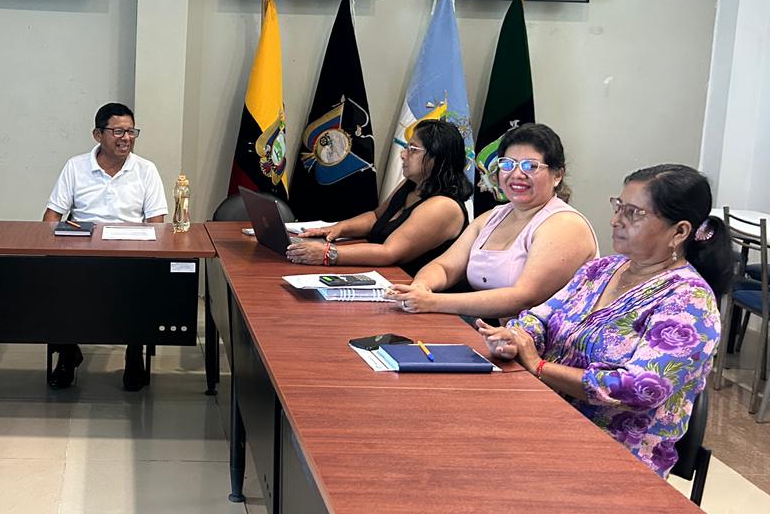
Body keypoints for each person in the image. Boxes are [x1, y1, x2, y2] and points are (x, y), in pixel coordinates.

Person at [479, 164, 731, 478]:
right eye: (619, 207)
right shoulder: (602, 270)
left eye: (634, 213)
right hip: (545, 422)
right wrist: (517, 336)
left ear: (679, 232)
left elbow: (641, 387)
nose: (616, 220)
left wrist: (539, 366)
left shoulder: (690, 301)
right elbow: (540, 317)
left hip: (614, 459)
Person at [388, 123, 598, 318]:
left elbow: (524, 297)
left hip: (537, 341)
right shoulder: (492, 217)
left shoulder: (565, 224)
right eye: (507, 164)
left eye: (530, 166)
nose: (517, 174)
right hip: (489, 330)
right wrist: (421, 286)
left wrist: (432, 302)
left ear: (557, 175)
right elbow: (444, 267)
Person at [42, 102, 168, 391]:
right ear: (98, 134)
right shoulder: (76, 167)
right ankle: (67, 352)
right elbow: (52, 216)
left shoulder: (146, 170)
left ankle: (134, 351)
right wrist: (50, 246)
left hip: (130, 254)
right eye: (118, 132)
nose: (126, 138)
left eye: (131, 131)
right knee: (52, 277)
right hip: (82, 251)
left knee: (143, 280)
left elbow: (157, 224)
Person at [287, 118, 471, 274]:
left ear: (436, 157)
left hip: (415, 290)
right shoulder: (413, 184)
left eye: (412, 149)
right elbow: (376, 217)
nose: (403, 154)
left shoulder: (443, 207)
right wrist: (338, 228)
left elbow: (389, 252)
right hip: (384, 276)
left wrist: (328, 253)